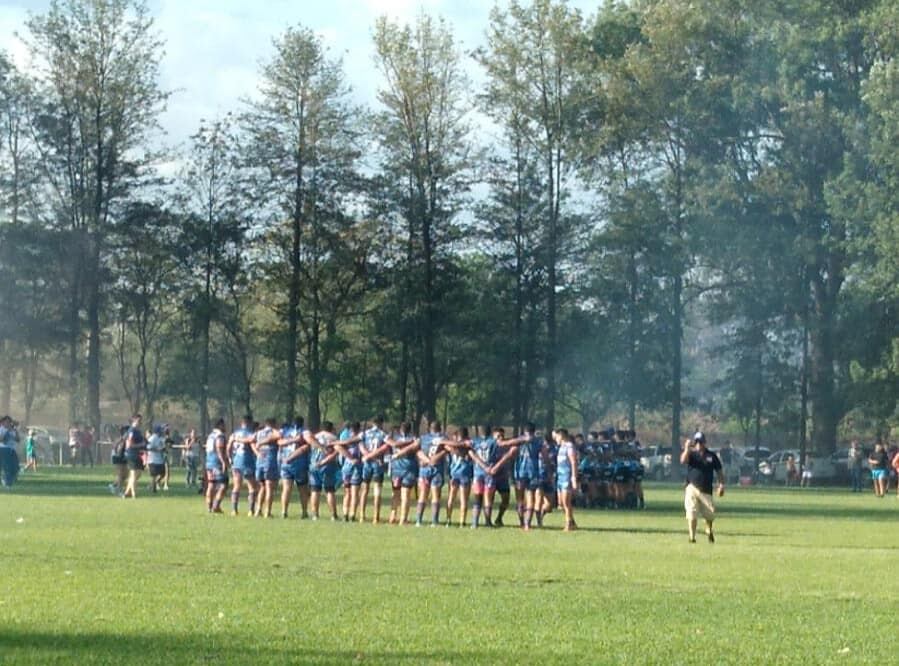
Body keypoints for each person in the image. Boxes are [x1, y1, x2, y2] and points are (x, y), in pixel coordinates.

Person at [679, 431, 724, 544]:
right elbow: (683, 460)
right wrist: (686, 448)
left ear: (705, 442)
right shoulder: (691, 454)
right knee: (692, 512)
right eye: (697, 442)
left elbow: (719, 471)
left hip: (706, 490)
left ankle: (708, 530)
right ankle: (692, 537)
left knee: (710, 514)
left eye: (701, 442)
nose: (699, 444)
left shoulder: (711, 456)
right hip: (692, 488)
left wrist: (721, 485)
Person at [415, 421, 448, 527]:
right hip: (436, 468)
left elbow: (417, 451)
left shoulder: (423, 438)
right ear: (440, 428)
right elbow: (447, 450)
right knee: (435, 495)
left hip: (424, 469)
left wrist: (426, 460)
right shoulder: (443, 438)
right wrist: (436, 457)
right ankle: (434, 521)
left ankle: (418, 521)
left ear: (430, 428)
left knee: (422, 494)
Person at [358, 416, 390, 524]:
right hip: (377, 464)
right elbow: (385, 447)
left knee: (364, 489)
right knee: (377, 491)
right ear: (381, 423)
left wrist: (367, 455)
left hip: (367, 463)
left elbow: (360, 445)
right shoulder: (383, 434)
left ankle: (362, 516)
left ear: (372, 423)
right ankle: (376, 517)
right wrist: (374, 456)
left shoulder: (365, 433)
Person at [385, 422, 418, 525]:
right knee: (405, 495)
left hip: (396, 469)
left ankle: (392, 516)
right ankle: (403, 519)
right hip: (409, 469)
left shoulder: (394, 438)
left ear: (400, 429)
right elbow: (416, 447)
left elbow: (391, 443)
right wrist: (410, 443)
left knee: (395, 494)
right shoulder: (414, 439)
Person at [278, 417, 311, 519]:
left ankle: (284, 511)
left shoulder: (286, 431)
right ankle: (304, 512)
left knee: (286, 488)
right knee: (302, 489)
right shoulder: (304, 432)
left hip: (285, 463)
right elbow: (306, 447)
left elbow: (279, 442)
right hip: (299, 464)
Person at [308, 421, 340, 521]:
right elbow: (336, 452)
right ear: (331, 428)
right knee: (329, 490)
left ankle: (315, 514)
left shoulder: (315, 437)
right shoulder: (333, 438)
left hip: (314, 465)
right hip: (327, 466)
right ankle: (333, 515)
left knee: (315, 490)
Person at [253, 418, 282, 518]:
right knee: (269, 487)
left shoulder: (259, 432)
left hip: (260, 461)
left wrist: (256, 451)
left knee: (262, 487)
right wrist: (273, 429)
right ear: (273, 424)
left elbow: (251, 441)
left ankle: (258, 510)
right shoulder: (273, 432)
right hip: (269, 461)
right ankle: (267, 512)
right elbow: (279, 435)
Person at [444, 428, 473, 527]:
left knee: (451, 498)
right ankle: (462, 522)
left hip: (454, 474)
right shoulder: (467, 445)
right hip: (464, 474)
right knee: (463, 500)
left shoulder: (452, 446)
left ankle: (448, 520)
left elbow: (447, 446)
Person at [229, 416, 257, 516]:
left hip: (236, 462)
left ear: (242, 423)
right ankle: (251, 510)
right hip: (247, 461)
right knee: (252, 487)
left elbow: (229, 446)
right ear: (249, 423)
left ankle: (234, 510)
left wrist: (230, 458)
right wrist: (258, 454)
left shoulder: (234, 434)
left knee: (236, 486)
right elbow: (253, 446)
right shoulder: (250, 434)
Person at [554, 428, 578, 531]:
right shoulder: (560, 447)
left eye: (557, 436)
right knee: (560, 503)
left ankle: (568, 524)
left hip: (566, 476)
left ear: (562, 436)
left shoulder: (569, 446)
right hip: (560, 476)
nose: (556, 439)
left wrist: (573, 477)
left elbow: (573, 462)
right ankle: (572, 522)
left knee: (566, 502)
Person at [204, 418, 229, 513]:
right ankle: (216, 506)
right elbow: (219, 448)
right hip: (216, 463)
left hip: (209, 462)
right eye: (224, 425)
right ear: (220, 425)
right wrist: (223, 461)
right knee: (223, 484)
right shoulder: (220, 436)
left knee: (211, 484)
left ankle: (209, 507)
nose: (225, 427)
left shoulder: (211, 435)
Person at [122, 415, 147, 499]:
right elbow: (129, 445)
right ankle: (134, 494)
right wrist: (141, 444)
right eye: (139, 420)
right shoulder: (132, 431)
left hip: (137, 454)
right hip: (132, 454)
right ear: (134, 421)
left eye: (141, 420)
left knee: (137, 474)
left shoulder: (137, 431)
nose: (140, 422)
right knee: (134, 474)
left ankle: (126, 493)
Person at [146, 426, 166, 493]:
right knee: (154, 475)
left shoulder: (160, 438)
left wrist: (164, 449)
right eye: (161, 430)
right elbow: (148, 447)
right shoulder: (153, 438)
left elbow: (161, 446)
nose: (162, 431)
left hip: (160, 460)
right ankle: (153, 489)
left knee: (163, 474)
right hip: (153, 460)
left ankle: (151, 485)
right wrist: (157, 450)